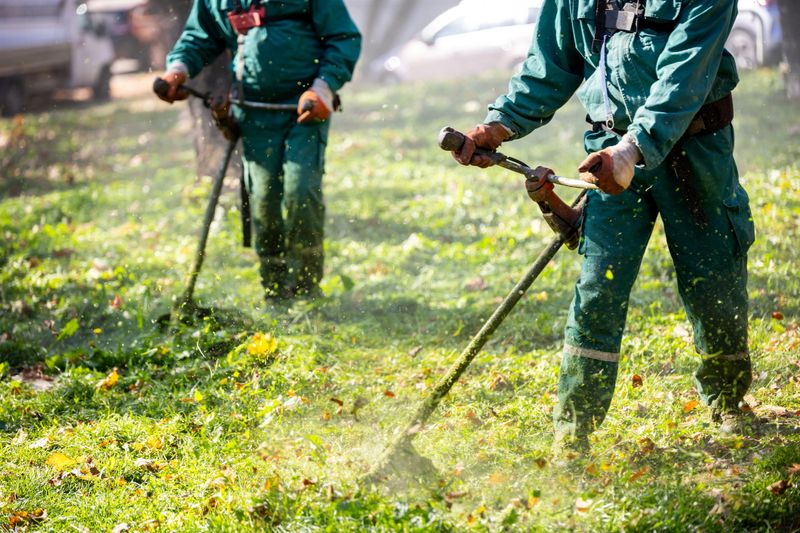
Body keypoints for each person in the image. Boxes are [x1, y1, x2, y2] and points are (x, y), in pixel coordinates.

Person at [455, 0, 756, 448]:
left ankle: (726, 401)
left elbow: (685, 72)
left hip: (694, 148)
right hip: (606, 153)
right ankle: (573, 433)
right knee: (598, 287)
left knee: (713, 277)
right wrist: (496, 127)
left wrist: (633, 151)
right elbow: (550, 64)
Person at [157, 0, 361, 301]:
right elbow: (200, 36)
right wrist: (178, 69)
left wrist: (323, 88)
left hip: (305, 108)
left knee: (301, 191)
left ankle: (306, 289)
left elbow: (342, 38)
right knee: (264, 199)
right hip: (254, 113)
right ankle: (275, 290)